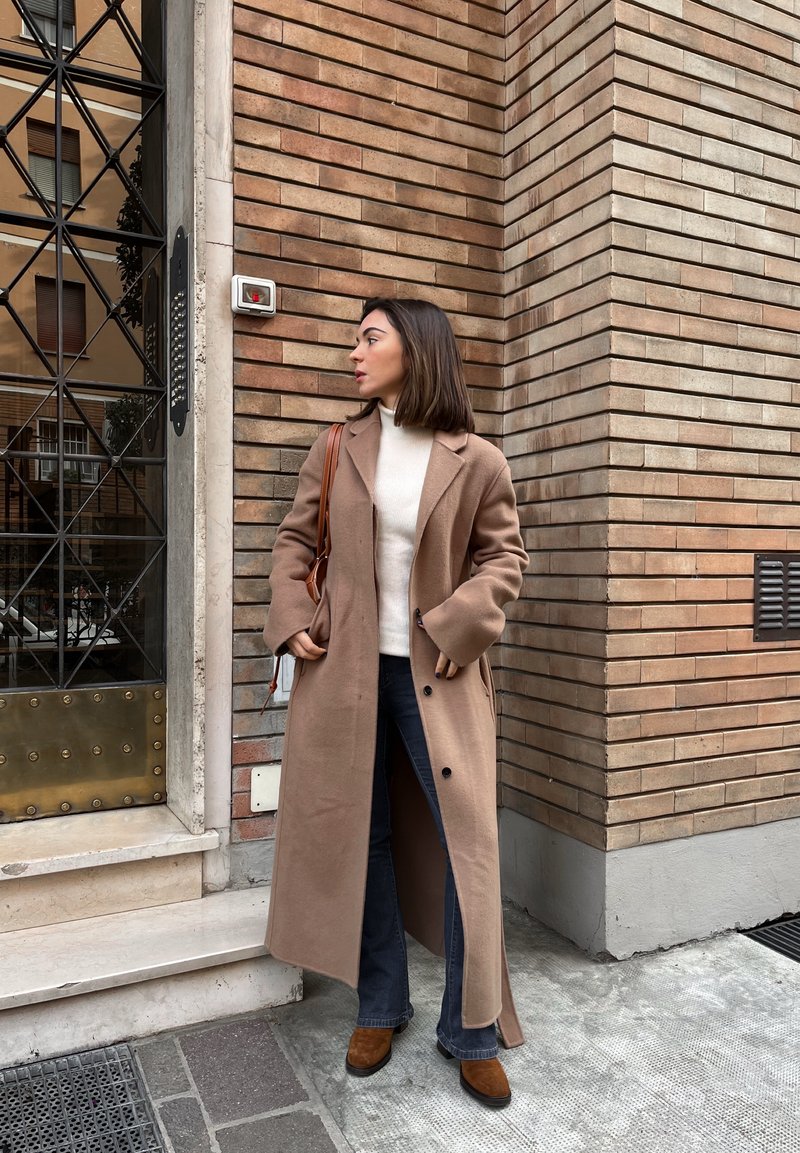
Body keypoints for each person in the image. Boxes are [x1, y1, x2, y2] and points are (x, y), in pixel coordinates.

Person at [263, 298, 529, 1108]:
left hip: (440, 674)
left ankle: (471, 1028)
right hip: (344, 674)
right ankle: (380, 1005)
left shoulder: (476, 457)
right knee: (361, 835)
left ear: (414, 349)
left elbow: (504, 557)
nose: (354, 352)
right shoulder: (338, 445)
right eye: (355, 338)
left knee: (466, 842)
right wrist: (291, 618)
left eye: (368, 337)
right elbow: (295, 543)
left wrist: (456, 624)